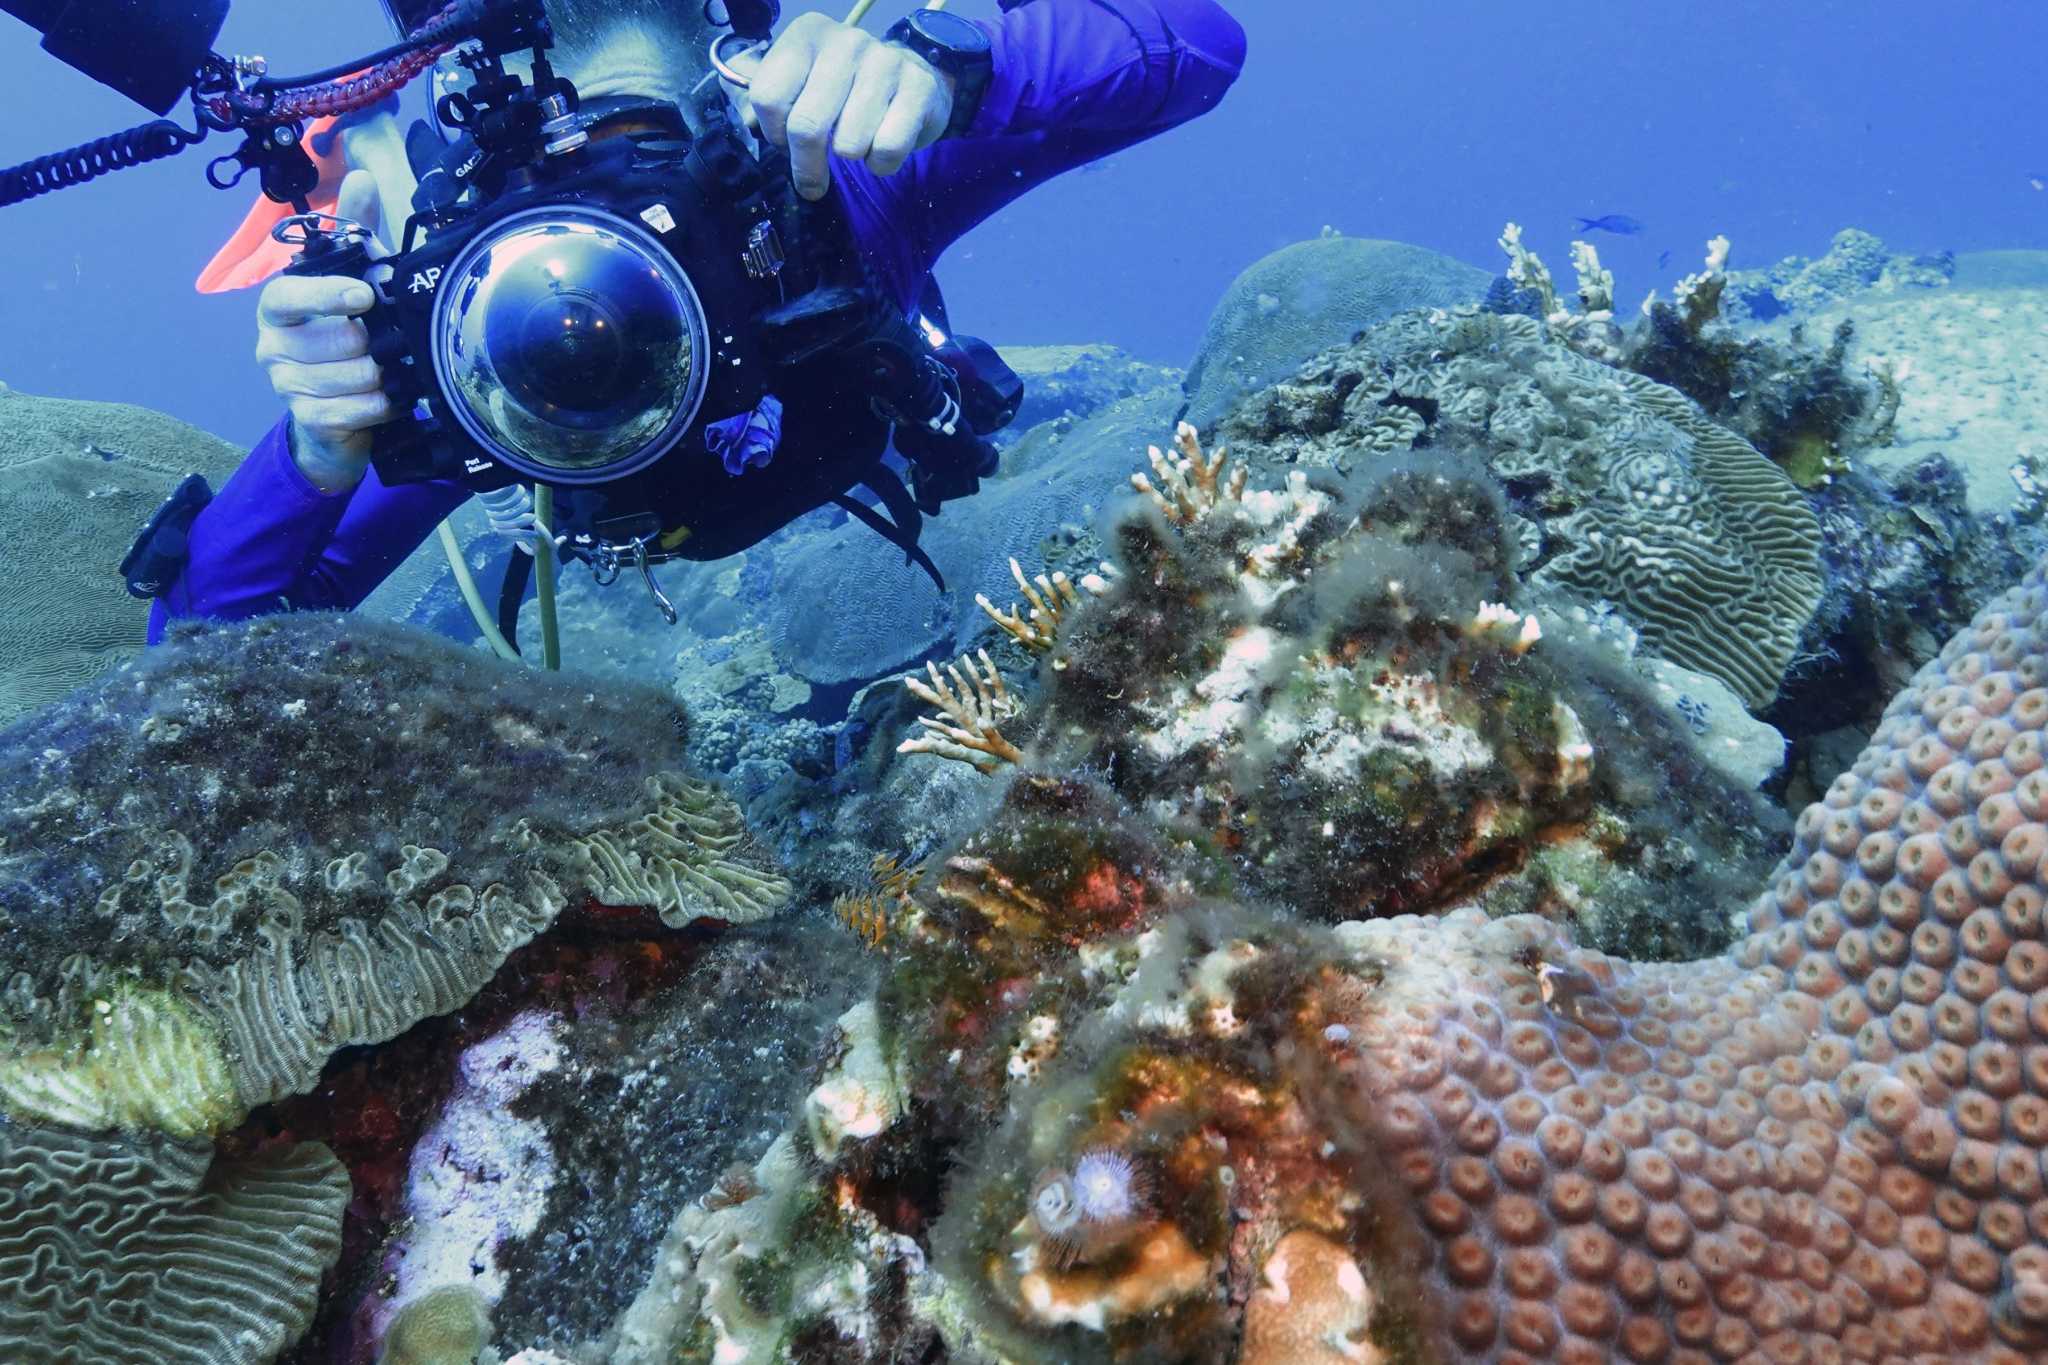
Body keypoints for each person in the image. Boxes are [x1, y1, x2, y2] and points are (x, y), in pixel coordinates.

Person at [147, 0, 1246, 639]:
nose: (586, 314)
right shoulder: (477, 337)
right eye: (552, 217)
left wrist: (943, 67)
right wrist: (316, 449)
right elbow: (203, 661)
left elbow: (1192, 44)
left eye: (656, 172)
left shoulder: (820, 186)